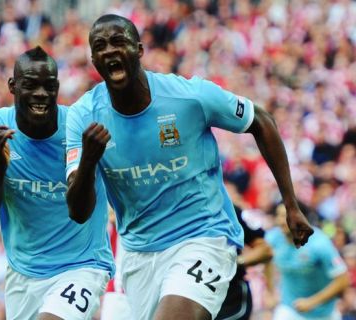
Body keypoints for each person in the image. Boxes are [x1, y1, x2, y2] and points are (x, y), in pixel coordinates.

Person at [65, 13, 313, 320]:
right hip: (139, 253)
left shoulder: (189, 97)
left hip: (204, 236)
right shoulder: (83, 116)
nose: (109, 51)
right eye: (99, 46)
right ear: (93, 59)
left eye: (119, 42)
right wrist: (88, 161)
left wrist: (290, 203)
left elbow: (260, 121)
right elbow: (77, 211)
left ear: (139, 50)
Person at [0, 46, 114, 320]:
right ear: (12, 86)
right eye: (31, 85)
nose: (41, 94)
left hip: (81, 266)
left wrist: (89, 162)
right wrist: (0, 167)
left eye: (49, 86)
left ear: (57, 87)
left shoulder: (77, 126)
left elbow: (81, 212)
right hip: (23, 273)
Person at [266, 202, 350, 320]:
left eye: (285, 216)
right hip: (289, 309)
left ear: (300, 218)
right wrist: (270, 290)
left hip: (323, 313)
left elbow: (343, 280)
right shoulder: (273, 238)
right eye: (278, 215)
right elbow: (265, 259)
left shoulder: (320, 244)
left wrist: (312, 302)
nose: (280, 221)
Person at [215, 205, 273, 320]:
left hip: (230, 297)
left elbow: (265, 250)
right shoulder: (174, 212)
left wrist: (235, 262)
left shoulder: (228, 209)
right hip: (190, 294)